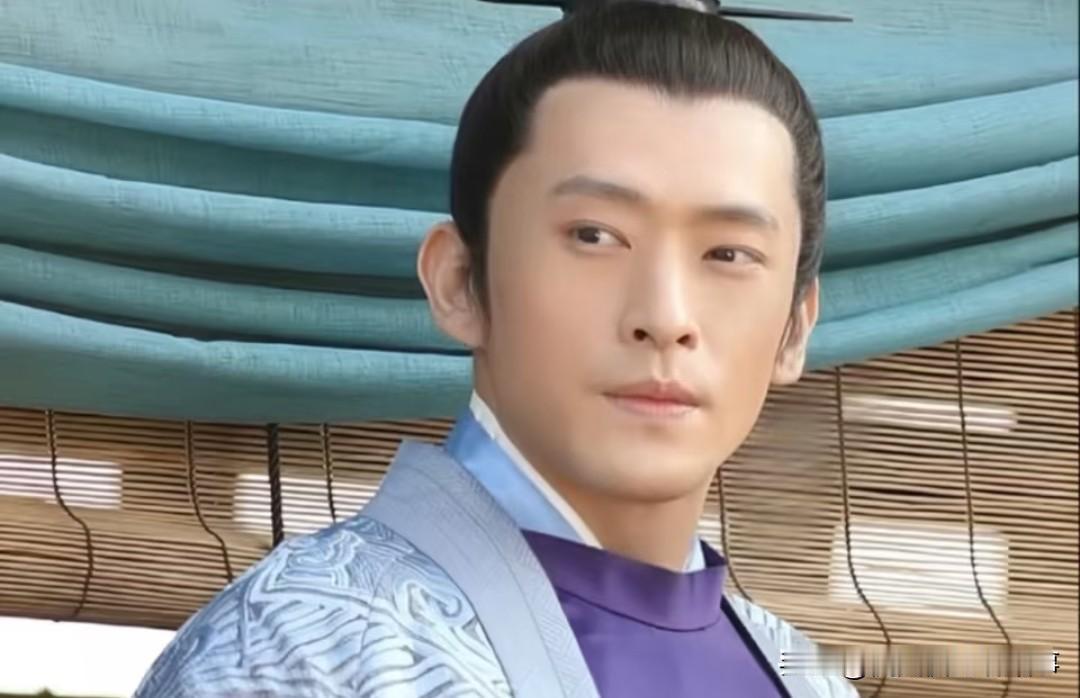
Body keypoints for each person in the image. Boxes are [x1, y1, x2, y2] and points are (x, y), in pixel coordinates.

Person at [136, 1, 858, 696]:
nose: (665, 318)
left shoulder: (806, 676)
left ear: (796, 327)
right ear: (459, 281)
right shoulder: (304, 651)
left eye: (729, 253)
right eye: (594, 236)